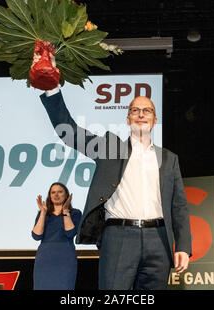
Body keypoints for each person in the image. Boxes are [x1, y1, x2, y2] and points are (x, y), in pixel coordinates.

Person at [39, 85, 192, 290]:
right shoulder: (109, 148)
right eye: (134, 110)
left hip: (159, 239)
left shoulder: (169, 159)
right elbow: (69, 132)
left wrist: (182, 246)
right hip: (119, 237)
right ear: (128, 119)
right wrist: (52, 89)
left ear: (155, 120)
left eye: (147, 111)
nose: (140, 114)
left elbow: (178, 206)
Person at [31, 182, 82, 290]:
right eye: (53, 192)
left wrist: (65, 211)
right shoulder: (43, 214)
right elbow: (36, 235)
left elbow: (70, 233)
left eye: (60, 192)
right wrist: (43, 213)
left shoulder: (75, 213)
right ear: (49, 196)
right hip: (45, 258)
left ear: (66, 195)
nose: (56, 195)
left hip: (65, 257)